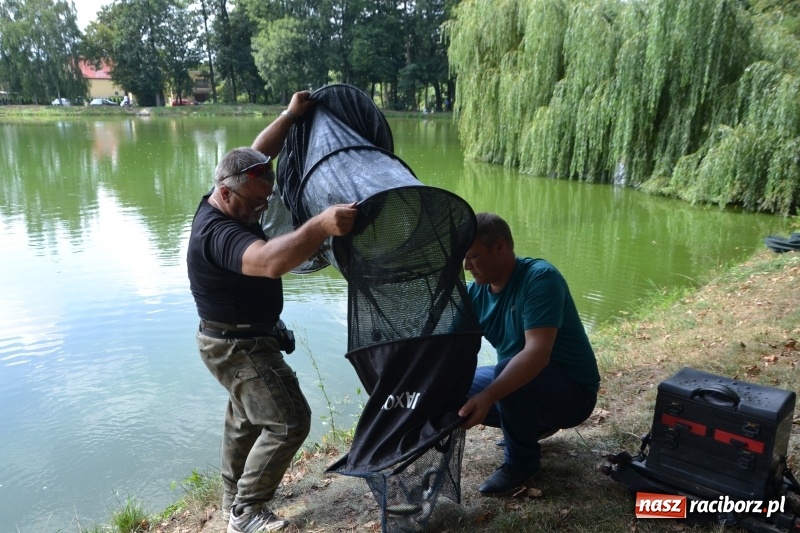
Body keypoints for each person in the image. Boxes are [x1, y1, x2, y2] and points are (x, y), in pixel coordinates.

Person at [187, 90, 358, 533]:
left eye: (265, 199)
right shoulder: (219, 233)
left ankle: (233, 500)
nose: (262, 209)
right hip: (237, 346)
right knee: (288, 421)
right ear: (226, 193)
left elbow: (257, 154)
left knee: (246, 419)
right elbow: (268, 262)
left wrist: (289, 115)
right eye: (254, 203)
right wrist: (320, 224)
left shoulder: (234, 188)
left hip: (235, 336)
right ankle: (246, 512)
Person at [458, 212, 600, 497]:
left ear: (500, 247)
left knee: (506, 371)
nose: (466, 266)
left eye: (472, 256)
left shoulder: (540, 279)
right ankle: (530, 428)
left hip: (574, 394)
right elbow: (451, 349)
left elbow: (536, 355)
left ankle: (520, 464)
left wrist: (488, 397)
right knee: (454, 386)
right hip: (528, 387)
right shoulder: (476, 294)